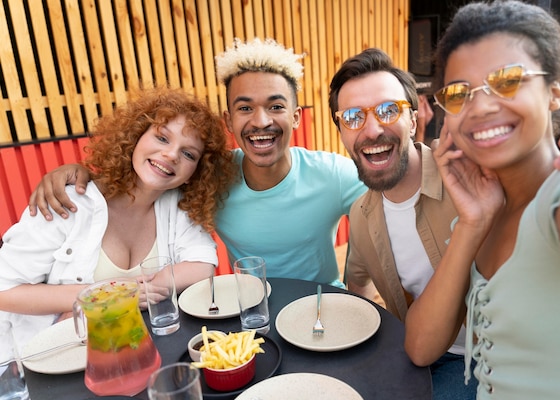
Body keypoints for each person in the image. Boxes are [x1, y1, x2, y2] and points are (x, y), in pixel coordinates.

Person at [404, 1, 560, 400]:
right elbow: (420, 347)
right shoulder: (481, 215)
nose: (481, 106)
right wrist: (471, 224)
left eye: (507, 81)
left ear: (554, 92)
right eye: (459, 93)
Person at [27, 38, 367, 288]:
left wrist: (360, 285)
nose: (261, 121)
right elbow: (154, 173)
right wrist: (79, 175)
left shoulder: (333, 174)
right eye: (245, 108)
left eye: (276, 107)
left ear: (295, 117)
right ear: (229, 119)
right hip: (250, 311)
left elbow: (389, 195)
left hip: (322, 308)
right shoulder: (210, 175)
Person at [0, 87, 237, 347]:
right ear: (136, 137)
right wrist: (108, 296)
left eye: (188, 153)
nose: (171, 155)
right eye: (162, 138)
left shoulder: (177, 206)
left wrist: (136, 293)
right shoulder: (68, 202)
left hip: (130, 348)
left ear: (194, 172)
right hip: (42, 361)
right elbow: (4, 291)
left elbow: (201, 266)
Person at [329, 48, 484, 400]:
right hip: (413, 354)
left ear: (413, 120)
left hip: (486, 360)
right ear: (341, 132)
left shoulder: (469, 175)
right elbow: (359, 288)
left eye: (388, 111)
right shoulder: (362, 214)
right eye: (353, 117)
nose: (371, 129)